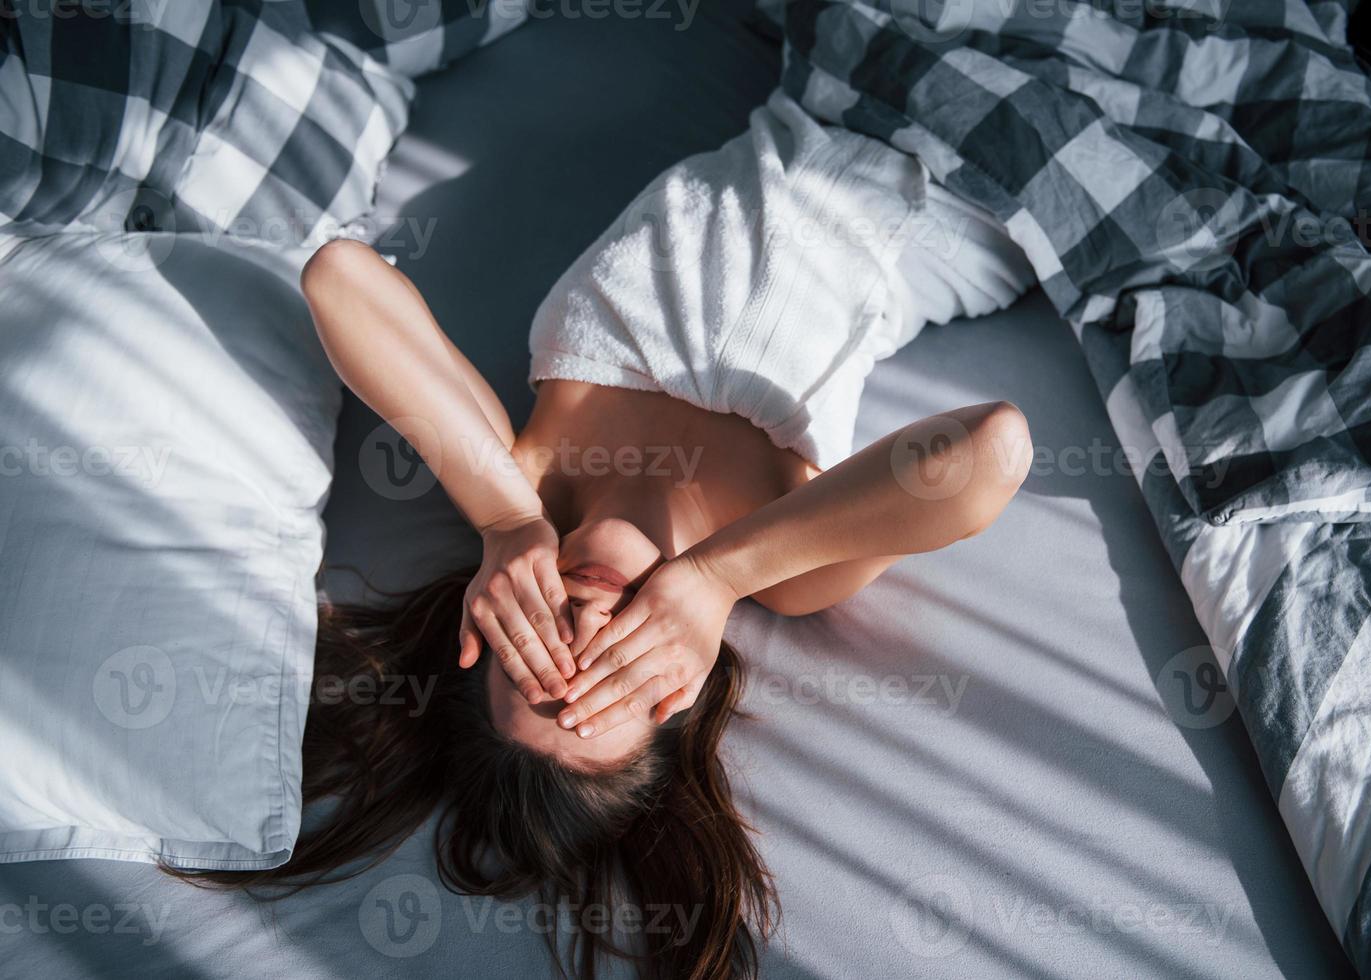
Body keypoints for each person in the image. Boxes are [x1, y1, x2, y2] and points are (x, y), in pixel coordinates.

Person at [185, 93, 1035, 980]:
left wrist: (505, 521)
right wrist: (713, 577)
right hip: (976, 190)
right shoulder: (783, 567)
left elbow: (339, 276)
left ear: (488, 625)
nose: (582, 632)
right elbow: (989, 448)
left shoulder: (525, 476)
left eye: (535, 664)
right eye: (602, 685)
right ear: (674, 693)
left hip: (829, 96)